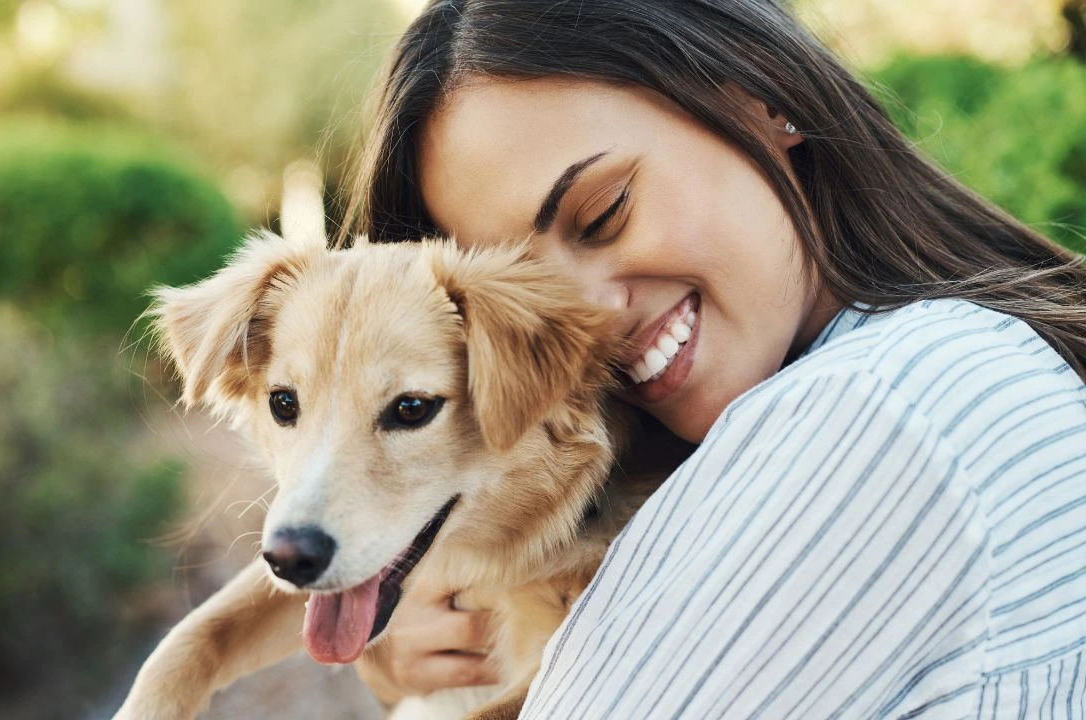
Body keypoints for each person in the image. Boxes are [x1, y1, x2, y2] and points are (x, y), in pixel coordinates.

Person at [344, 0, 1086, 717]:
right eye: (521, 314)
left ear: (763, 95)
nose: (584, 332)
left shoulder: (879, 410)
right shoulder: (968, 359)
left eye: (604, 214)